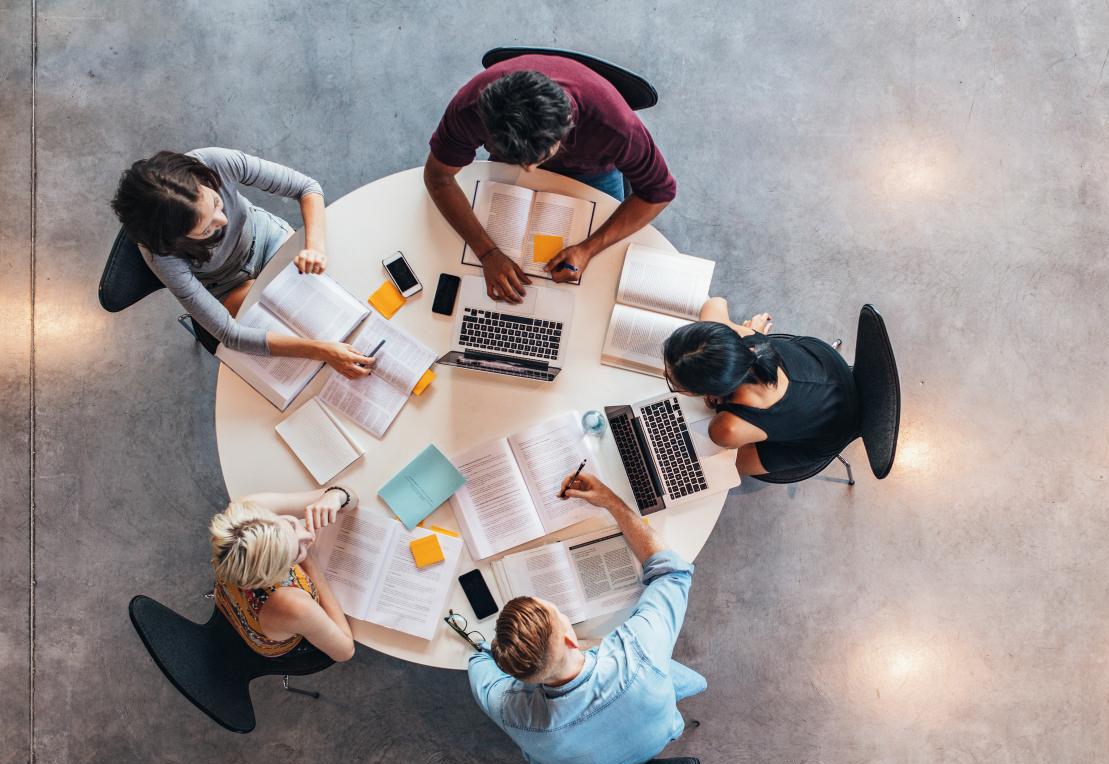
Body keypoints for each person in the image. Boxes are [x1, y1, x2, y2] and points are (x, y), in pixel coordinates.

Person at [467, 472, 705, 764]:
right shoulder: (638, 655)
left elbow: (478, 663)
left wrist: (495, 650)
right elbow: (672, 573)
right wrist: (611, 501)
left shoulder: (511, 710)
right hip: (659, 735)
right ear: (570, 638)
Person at [424, 55, 677, 303]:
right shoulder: (470, 107)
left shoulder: (615, 127)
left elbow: (659, 192)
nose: (530, 171)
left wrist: (589, 248)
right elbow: (438, 177)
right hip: (518, 161)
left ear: (568, 124)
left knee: (598, 277)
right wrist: (487, 252)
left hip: (594, 170)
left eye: (538, 158)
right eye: (520, 161)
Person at [110, 147, 373, 377]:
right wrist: (322, 352)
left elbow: (307, 188)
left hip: (268, 240)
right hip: (225, 286)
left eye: (216, 202)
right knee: (300, 337)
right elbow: (230, 334)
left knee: (337, 295)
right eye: (206, 230)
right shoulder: (161, 255)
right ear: (175, 241)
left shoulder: (213, 162)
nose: (223, 221)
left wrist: (315, 248)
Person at [662, 298, 861, 478]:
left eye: (673, 383)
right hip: (828, 368)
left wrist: (721, 404)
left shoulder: (725, 429)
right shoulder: (743, 337)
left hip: (830, 433)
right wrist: (746, 332)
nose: (664, 375)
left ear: (707, 392)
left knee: (717, 466)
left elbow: (725, 434)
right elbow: (715, 303)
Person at [209, 486, 357, 662]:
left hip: (230, 599)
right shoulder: (295, 605)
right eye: (297, 553)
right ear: (277, 575)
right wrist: (311, 563)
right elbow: (345, 651)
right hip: (275, 641)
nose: (308, 537)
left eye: (291, 524)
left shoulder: (247, 512)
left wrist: (335, 497)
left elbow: (349, 495)